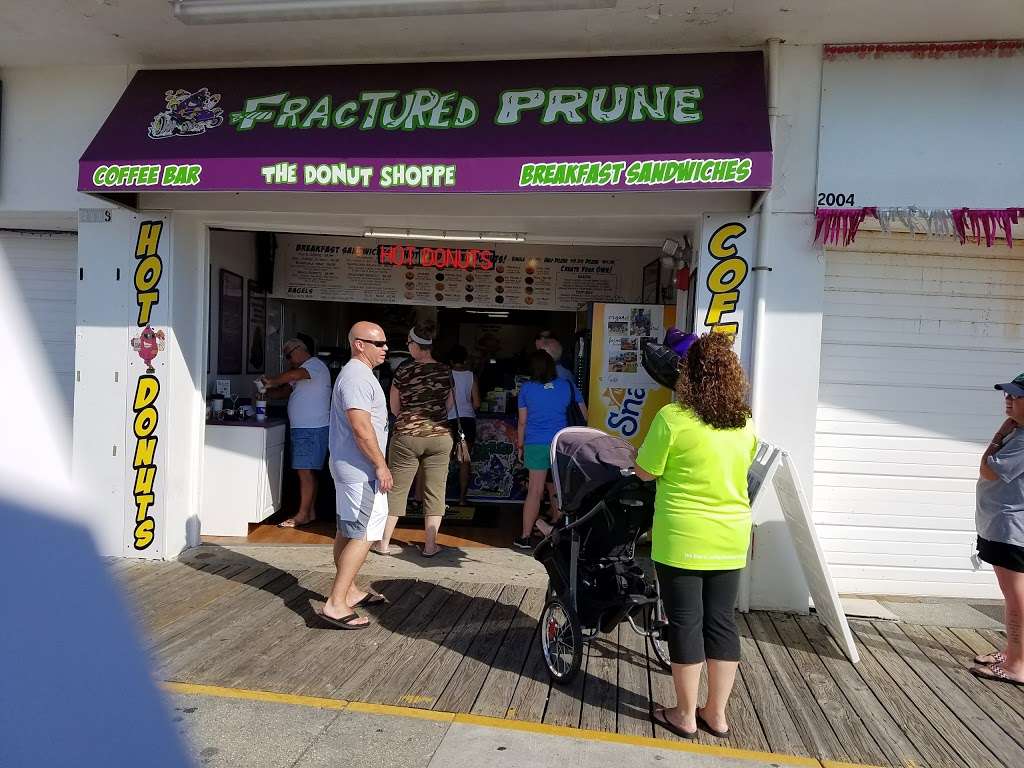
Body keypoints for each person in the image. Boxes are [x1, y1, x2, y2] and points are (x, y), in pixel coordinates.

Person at [633, 332, 758, 739]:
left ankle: (685, 715)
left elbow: (645, 471)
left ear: (690, 374)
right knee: (722, 622)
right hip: (730, 537)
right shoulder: (745, 422)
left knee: (686, 622)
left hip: (682, 537)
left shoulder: (673, 419)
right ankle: (716, 715)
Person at [318, 321, 393, 629]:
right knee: (364, 534)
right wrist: (380, 464)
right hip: (361, 469)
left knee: (348, 531)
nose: (386, 348)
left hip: (351, 466)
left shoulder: (358, 375)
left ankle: (347, 590)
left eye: (385, 343)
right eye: (379, 343)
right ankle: (336, 603)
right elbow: (361, 428)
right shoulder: (357, 377)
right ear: (359, 345)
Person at [378, 321, 454, 558]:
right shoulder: (445, 370)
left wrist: (409, 420)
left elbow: (394, 406)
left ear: (415, 345)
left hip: (407, 436)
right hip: (440, 436)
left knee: (397, 490)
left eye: (408, 343)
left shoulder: (403, 370)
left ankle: (383, 544)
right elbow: (450, 404)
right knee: (435, 491)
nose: (407, 347)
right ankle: (430, 545)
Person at [970, 372, 1024, 685]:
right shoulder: (1019, 433)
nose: (1009, 399)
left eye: (1017, 396)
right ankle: (1014, 651)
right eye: (1008, 394)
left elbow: (987, 470)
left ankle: (1017, 666)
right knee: (1013, 595)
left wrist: (999, 433)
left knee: (1016, 597)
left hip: (1011, 530)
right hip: (1000, 525)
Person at [260, 339, 331, 528]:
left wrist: (271, 381)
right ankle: (309, 512)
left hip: (310, 428)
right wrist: (265, 394)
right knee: (307, 472)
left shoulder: (313, 366)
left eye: (289, 355)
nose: (288, 360)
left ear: (299, 350)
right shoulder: (304, 373)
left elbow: (293, 374)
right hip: (306, 428)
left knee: (305, 472)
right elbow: (284, 392)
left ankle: (302, 515)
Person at [515, 349, 576, 549]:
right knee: (560, 489)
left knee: (535, 490)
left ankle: (525, 536)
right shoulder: (567, 386)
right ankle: (562, 534)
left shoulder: (526, 389)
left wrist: (520, 445)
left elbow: (522, 422)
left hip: (535, 442)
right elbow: (582, 414)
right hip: (562, 444)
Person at [447, 345, 480, 505]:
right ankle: (462, 499)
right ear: (465, 360)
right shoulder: (471, 376)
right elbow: (477, 402)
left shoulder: (446, 375)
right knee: (465, 461)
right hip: (468, 420)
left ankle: (439, 498)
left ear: (451, 361)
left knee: (443, 460)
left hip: (450, 419)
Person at [536, 333, 588, 422]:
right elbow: (584, 415)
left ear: (547, 356)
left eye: (540, 353)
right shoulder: (566, 373)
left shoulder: (553, 376)